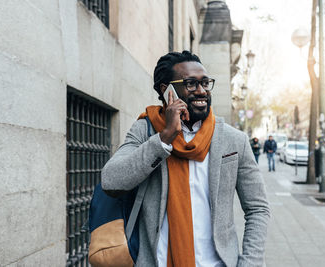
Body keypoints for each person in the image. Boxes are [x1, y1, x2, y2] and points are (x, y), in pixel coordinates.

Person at [101, 51, 270, 267]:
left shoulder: (233, 140)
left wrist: (250, 263)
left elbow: (258, 208)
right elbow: (111, 180)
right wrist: (164, 138)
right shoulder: (145, 131)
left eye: (205, 83)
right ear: (167, 90)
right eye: (191, 84)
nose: (201, 91)